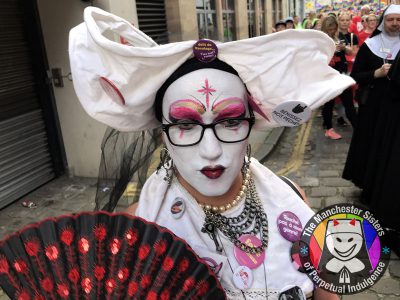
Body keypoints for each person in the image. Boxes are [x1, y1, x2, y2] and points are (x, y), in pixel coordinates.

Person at [69, 7, 353, 299]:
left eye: (230, 122)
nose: (211, 150)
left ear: (251, 123)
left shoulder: (292, 199)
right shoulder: (139, 229)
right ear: (162, 132)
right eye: (186, 125)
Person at [343, 5, 400, 257]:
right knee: (371, 146)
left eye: (399, 20)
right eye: (391, 20)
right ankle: (368, 184)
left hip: (395, 109)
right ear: (382, 22)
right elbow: (357, 75)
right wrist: (376, 73)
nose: (395, 24)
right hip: (375, 107)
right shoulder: (370, 45)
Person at [320, 15, 357, 139]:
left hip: (341, 75)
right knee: (329, 104)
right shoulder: (321, 40)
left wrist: (343, 47)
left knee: (349, 103)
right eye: (330, 29)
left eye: (334, 28)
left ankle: (358, 128)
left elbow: (350, 52)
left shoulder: (339, 36)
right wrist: (330, 50)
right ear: (325, 28)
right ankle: (329, 129)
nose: (332, 31)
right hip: (328, 76)